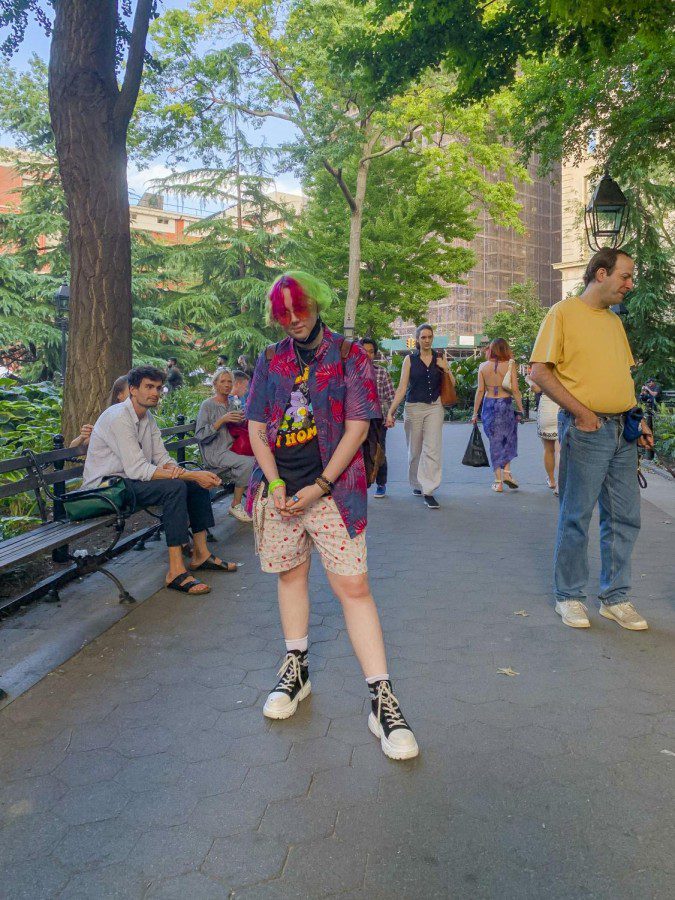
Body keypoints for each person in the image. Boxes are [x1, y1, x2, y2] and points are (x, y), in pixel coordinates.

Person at [245, 271, 418, 760]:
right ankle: (295, 669)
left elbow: (359, 427)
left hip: (334, 493)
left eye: (300, 307)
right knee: (291, 577)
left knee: (354, 588)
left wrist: (320, 486)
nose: (294, 318)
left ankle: (382, 699)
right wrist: (276, 484)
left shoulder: (350, 356)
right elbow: (258, 428)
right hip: (279, 495)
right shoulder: (270, 358)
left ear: (316, 303)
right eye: (283, 313)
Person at [530, 248, 654, 631]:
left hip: (623, 430)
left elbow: (621, 376)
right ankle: (569, 597)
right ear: (601, 274)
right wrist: (582, 414)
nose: (630, 285)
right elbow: (539, 372)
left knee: (625, 517)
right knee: (576, 516)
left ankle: (616, 598)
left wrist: (639, 418)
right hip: (587, 430)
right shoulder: (562, 313)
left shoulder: (614, 323)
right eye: (625, 277)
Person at [82, 365, 231, 595]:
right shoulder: (118, 417)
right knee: (176, 487)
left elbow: (161, 457)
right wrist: (191, 474)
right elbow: (137, 469)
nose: (155, 393)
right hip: (107, 489)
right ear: (132, 389)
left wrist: (192, 476)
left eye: (159, 388)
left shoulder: (147, 417)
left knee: (192, 484)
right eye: (148, 387)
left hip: (128, 483)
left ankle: (200, 554)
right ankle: (175, 571)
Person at [386, 324, 452, 509]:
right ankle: (415, 482)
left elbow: (451, 383)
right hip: (413, 407)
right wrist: (391, 412)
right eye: (423, 337)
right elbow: (401, 388)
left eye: (429, 336)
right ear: (417, 339)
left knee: (432, 448)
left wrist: (445, 368)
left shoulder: (440, 358)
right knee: (415, 450)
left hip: (434, 407)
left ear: (433, 338)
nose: (427, 340)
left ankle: (429, 490)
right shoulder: (410, 359)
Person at [196, 368, 254, 523]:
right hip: (215, 452)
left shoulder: (232, 403)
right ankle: (235, 505)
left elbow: (236, 428)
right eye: (223, 381)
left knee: (260, 458)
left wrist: (241, 419)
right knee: (249, 463)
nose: (227, 385)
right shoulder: (207, 405)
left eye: (230, 382)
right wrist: (222, 420)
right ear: (215, 384)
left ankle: (252, 501)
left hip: (232, 448)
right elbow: (201, 435)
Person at [472, 338, 524, 493]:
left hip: (489, 406)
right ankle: (507, 473)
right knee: (507, 439)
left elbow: (480, 391)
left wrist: (474, 413)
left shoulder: (483, 366)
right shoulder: (510, 365)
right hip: (505, 405)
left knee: (494, 442)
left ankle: (498, 481)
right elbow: (515, 390)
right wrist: (521, 409)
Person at [361, 338, 394, 498]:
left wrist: (390, 415)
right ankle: (359, 485)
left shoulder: (381, 372)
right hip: (357, 420)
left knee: (378, 452)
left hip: (378, 420)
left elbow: (391, 397)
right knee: (356, 453)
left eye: (371, 351)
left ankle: (381, 483)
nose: (367, 354)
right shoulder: (351, 372)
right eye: (364, 351)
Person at [69, 376, 130, 449]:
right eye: (131, 390)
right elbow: (72, 448)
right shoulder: (109, 420)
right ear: (119, 395)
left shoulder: (142, 418)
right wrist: (82, 437)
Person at [526, 370, 560, 494]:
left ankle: (551, 480)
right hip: (563, 404)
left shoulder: (543, 366)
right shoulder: (565, 366)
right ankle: (560, 485)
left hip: (547, 406)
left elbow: (536, 389)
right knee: (559, 450)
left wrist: (528, 379)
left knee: (548, 449)